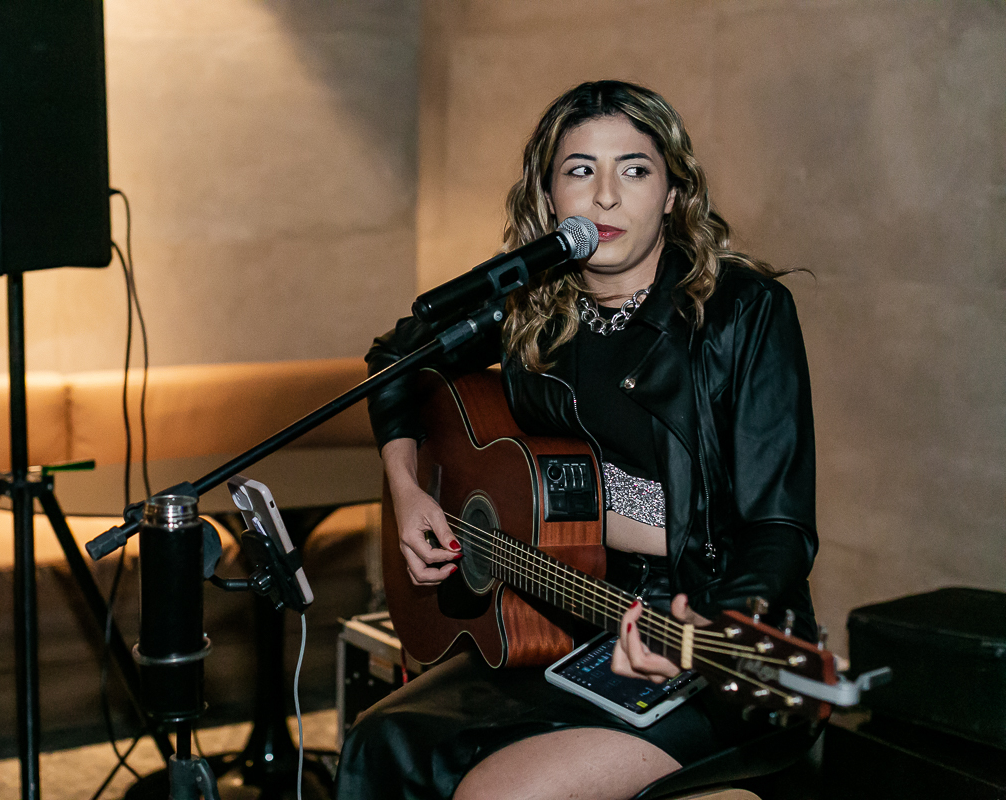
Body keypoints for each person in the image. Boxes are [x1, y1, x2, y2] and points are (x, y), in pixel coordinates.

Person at [336, 80, 819, 800]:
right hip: (564, 616)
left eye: (634, 169)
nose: (606, 197)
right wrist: (408, 490)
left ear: (674, 194)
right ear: (550, 198)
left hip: (708, 636)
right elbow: (396, 362)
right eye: (580, 170)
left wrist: (715, 626)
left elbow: (779, 527)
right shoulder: (532, 304)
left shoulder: (742, 314)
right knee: (385, 742)